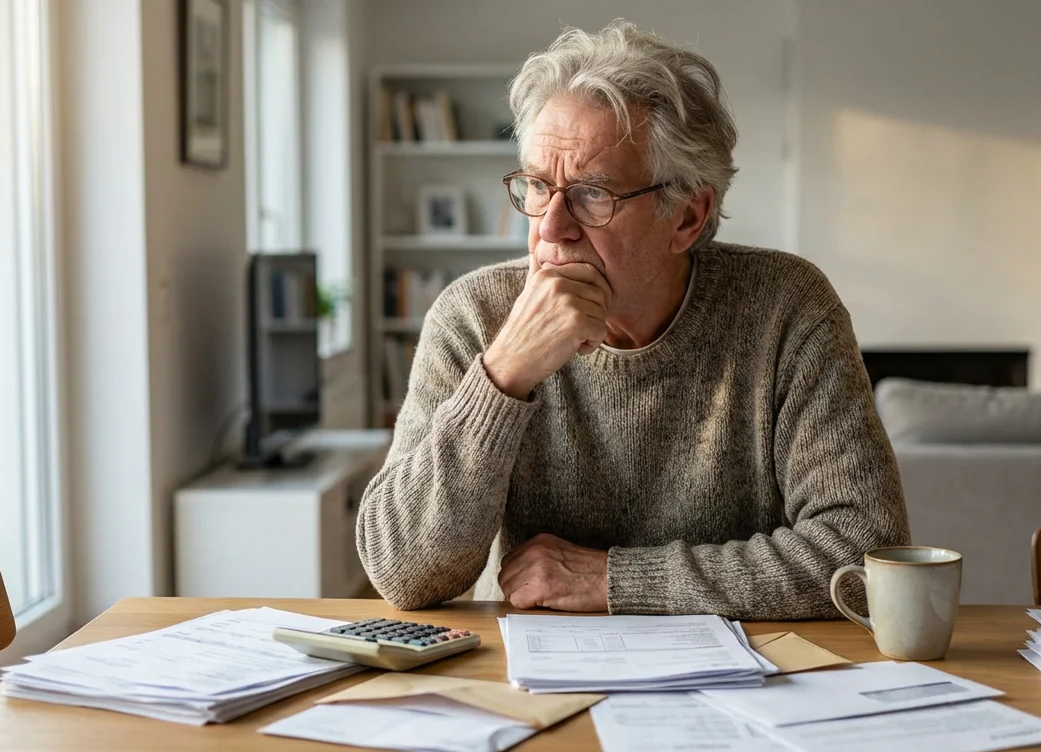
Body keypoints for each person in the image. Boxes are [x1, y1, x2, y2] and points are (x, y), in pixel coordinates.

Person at [356, 20, 909, 620]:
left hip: (744, 686)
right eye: (538, 187)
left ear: (688, 217)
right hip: (536, 675)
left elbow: (866, 557)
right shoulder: (474, 316)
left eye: (593, 194)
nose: (550, 227)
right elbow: (403, 573)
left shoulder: (786, 308)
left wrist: (617, 580)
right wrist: (504, 373)